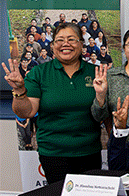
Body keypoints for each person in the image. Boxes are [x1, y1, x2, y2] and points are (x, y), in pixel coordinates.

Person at [3, 23, 103, 183]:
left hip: (89, 152)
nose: (65, 44)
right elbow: (26, 112)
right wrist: (20, 90)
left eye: (71, 39)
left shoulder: (96, 72)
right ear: (52, 45)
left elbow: (104, 113)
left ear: (81, 43)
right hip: (53, 153)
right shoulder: (39, 73)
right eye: (59, 40)